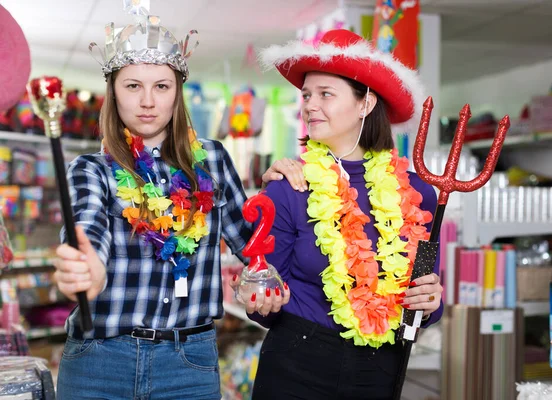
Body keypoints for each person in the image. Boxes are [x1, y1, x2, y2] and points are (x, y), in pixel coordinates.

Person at [53, 7, 294, 399]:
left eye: (162, 87)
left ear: (177, 91)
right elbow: (86, 224)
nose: (148, 101)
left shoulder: (213, 159)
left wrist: (280, 198)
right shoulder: (91, 168)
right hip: (98, 362)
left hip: (189, 364)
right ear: (113, 92)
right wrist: (86, 265)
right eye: (133, 86)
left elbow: (254, 245)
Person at [232, 29, 444, 399]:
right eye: (307, 95)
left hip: (380, 367)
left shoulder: (418, 194)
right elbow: (262, 300)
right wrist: (261, 298)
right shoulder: (289, 188)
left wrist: (431, 302)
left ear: (365, 104)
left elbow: (424, 296)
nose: (310, 105)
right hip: (297, 362)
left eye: (326, 94)